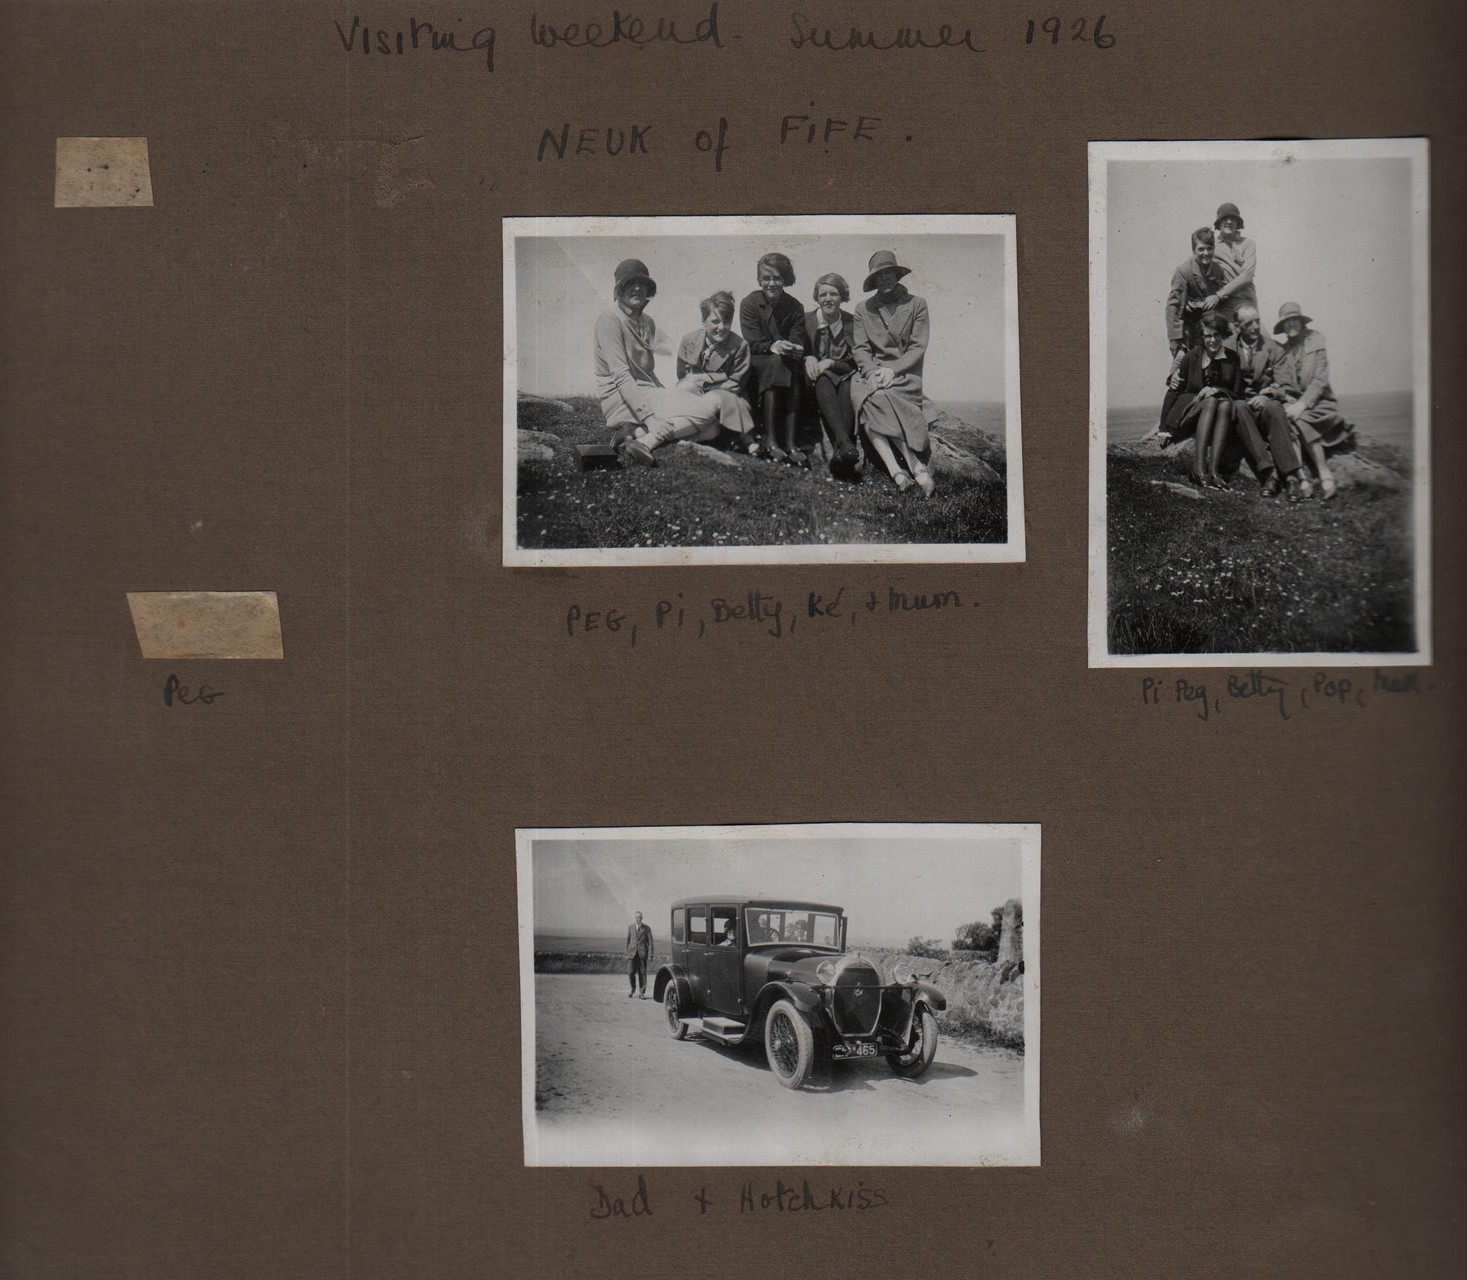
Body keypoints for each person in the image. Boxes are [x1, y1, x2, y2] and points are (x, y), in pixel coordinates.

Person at [592, 258, 721, 467]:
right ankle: (646, 441)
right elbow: (622, 376)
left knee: (713, 428)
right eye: (630, 283)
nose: (637, 288)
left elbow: (648, 372)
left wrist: (667, 394)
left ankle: (635, 433)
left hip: (646, 392)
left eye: (642, 283)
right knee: (708, 410)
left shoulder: (647, 322)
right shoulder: (609, 320)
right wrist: (651, 418)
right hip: (620, 398)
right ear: (619, 289)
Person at [850, 249, 938, 496]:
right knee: (866, 397)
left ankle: (909, 469)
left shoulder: (917, 304)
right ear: (874, 280)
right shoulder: (863, 309)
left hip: (905, 375)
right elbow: (861, 348)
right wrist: (870, 374)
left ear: (897, 275)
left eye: (888, 273)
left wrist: (892, 370)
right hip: (872, 374)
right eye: (879, 275)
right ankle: (906, 472)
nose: (884, 279)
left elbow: (918, 346)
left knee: (876, 400)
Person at [1230, 306, 1314, 500]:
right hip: (1241, 406)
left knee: (1274, 408)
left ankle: (1291, 478)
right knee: (1239, 407)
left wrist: (1268, 395)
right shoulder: (1227, 348)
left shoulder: (1273, 348)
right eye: (1249, 323)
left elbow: (1287, 384)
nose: (1255, 326)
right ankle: (1269, 475)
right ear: (1237, 325)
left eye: (1257, 321)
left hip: (1266, 404)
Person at [1273, 301, 1353, 500]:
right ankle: (1302, 479)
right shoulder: (1283, 350)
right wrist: (1288, 399)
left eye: (1294, 320)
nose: (1290, 324)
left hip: (1319, 402)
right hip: (1295, 403)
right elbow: (1284, 382)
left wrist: (1302, 405)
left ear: (1301, 321)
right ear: (1282, 326)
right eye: (1286, 321)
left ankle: (1323, 472)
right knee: (1287, 422)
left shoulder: (1316, 340)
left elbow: (1320, 379)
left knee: (1299, 419)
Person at [739, 252, 809, 464]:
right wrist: (774, 345)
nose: (771, 283)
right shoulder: (749, 303)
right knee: (777, 364)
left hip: (785, 362)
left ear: (785, 279)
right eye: (766, 278)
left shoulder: (795, 306)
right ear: (759, 279)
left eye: (777, 278)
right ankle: (773, 440)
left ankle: (790, 443)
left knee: (791, 367)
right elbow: (752, 342)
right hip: (759, 361)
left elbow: (798, 339)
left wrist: (796, 348)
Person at [1162, 311, 1241, 489]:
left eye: (1216, 335)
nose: (1212, 340)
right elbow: (1174, 390)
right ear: (1202, 337)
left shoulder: (1232, 358)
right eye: (1207, 336)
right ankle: (1198, 471)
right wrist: (1163, 428)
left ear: (1223, 336)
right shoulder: (1191, 357)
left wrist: (1216, 389)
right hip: (1189, 413)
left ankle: (1213, 471)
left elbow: (1236, 392)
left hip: (1216, 413)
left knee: (1225, 403)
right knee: (1213, 401)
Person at [802, 272, 862, 480]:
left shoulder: (852, 323)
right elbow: (796, 348)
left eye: (834, 294)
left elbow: (857, 359)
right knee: (824, 379)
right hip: (815, 380)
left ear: (843, 297)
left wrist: (832, 362)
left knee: (847, 387)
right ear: (817, 298)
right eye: (823, 294)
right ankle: (845, 443)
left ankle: (841, 452)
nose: (828, 298)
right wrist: (808, 356)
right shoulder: (805, 321)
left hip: (844, 376)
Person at [675, 290, 755, 438]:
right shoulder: (689, 340)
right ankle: (688, 433)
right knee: (684, 386)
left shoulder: (740, 346)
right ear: (703, 321)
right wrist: (719, 377)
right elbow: (683, 376)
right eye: (715, 321)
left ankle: (667, 435)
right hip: (697, 399)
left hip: (728, 404)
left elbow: (734, 385)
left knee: (710, 401)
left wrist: (703, 380)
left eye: (727, 321)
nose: (722, 327)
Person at [1162, 227, 1226, 379]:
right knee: (1182, 367)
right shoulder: (1183, 271)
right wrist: (1174, 339)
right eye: (1201, 249)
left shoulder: (1218, 270)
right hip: (1188, 332)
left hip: (1210, 332)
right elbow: (1173, 307)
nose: (1206, 253)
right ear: (1194, 250)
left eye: (1209, 249)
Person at [1208, 202, 1257, 322]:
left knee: (1260, 337)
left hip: (1245, 302)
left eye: (1233, 219)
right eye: (1225, 218)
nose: (1229, 222)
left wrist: (1219, 295)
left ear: (1238, 223)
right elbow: (1193, 266)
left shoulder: (1248, 244)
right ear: (1219, 223)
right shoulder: (1211, 245)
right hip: (1223, 304)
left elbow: (1247, 275)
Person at [624, 911, 654, 998]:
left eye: (640, 917)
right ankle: (632, 989)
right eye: (637, 917)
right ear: (635, 918)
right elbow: (627, 941)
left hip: (642, 954)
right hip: (631, 954)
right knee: (630, 972)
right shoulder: (630, 927)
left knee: (642, 973)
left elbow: (651, 942)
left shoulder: (647, 928)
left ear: (642, 918)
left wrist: (650, 955)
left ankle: (642, 993)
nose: (638, 919)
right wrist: (626, 953)